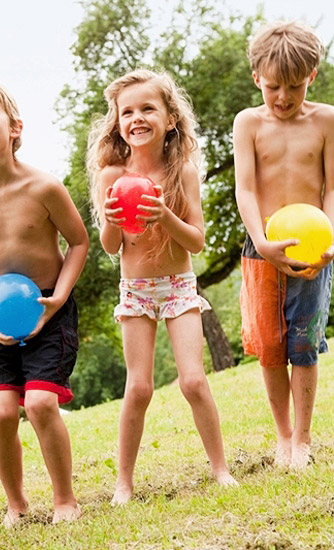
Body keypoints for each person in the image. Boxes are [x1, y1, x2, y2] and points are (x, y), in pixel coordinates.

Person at [87, 68, 237, 505]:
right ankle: (124, 483)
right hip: (135, 290)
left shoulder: (182, 171)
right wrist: (114, 222)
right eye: (127, 111)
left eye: (147, 108)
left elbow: (197, 239)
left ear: (170, 118)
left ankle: (221, 469)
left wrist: (164, 216)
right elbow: (112, 246)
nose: (137, 117)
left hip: (178, 285)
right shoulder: (110, 176)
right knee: (139, 387)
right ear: (117, 122)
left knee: (193, 380)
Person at [0, 78, 89, 526]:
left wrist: (58, 298)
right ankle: (17, 504)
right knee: (0, 411)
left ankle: (65, 500)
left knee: (42, 403)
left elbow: (80, 242)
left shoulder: (44, 187)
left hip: (50, 310)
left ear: (15, 126)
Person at [233, 20, 334, 469]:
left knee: (303, 343)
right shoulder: (248, 123)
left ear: (312, 75)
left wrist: (330, 237)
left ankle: (304, 440)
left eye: (294, 86)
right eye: (274, 86)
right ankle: (282, 437)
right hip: (263, 248)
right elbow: (246, 189)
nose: (284, 98)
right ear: (257, 77)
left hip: (314, 249)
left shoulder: (328, 119)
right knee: (271, 347)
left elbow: (332, 187)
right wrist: (261, 240)